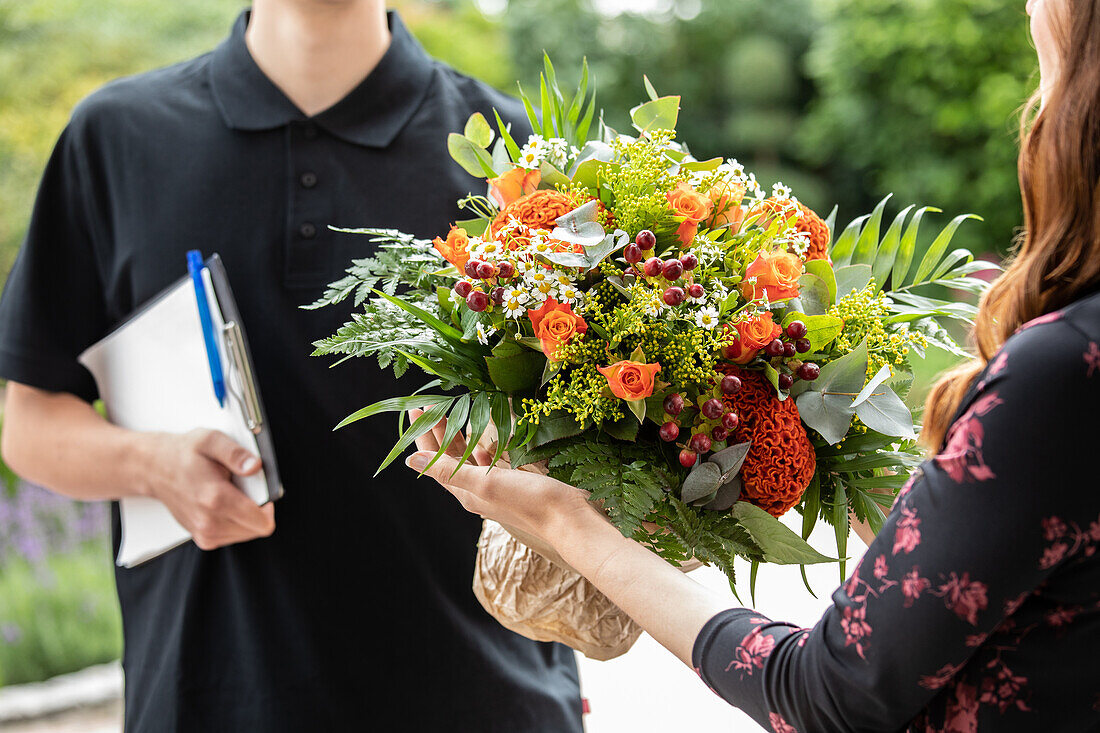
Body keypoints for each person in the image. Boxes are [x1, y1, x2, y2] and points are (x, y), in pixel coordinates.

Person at [406, 0, 1100, 729]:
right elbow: (995, 572)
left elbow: (830, 692)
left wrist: (570, 525)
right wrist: (804, 406)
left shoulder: (1068, 368)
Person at [0, 1, 583, 731]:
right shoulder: (116, 137)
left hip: (485, 702)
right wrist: (152, 464)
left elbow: (597, 451)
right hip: (204, 703)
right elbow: (29, 423)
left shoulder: (515, 157)